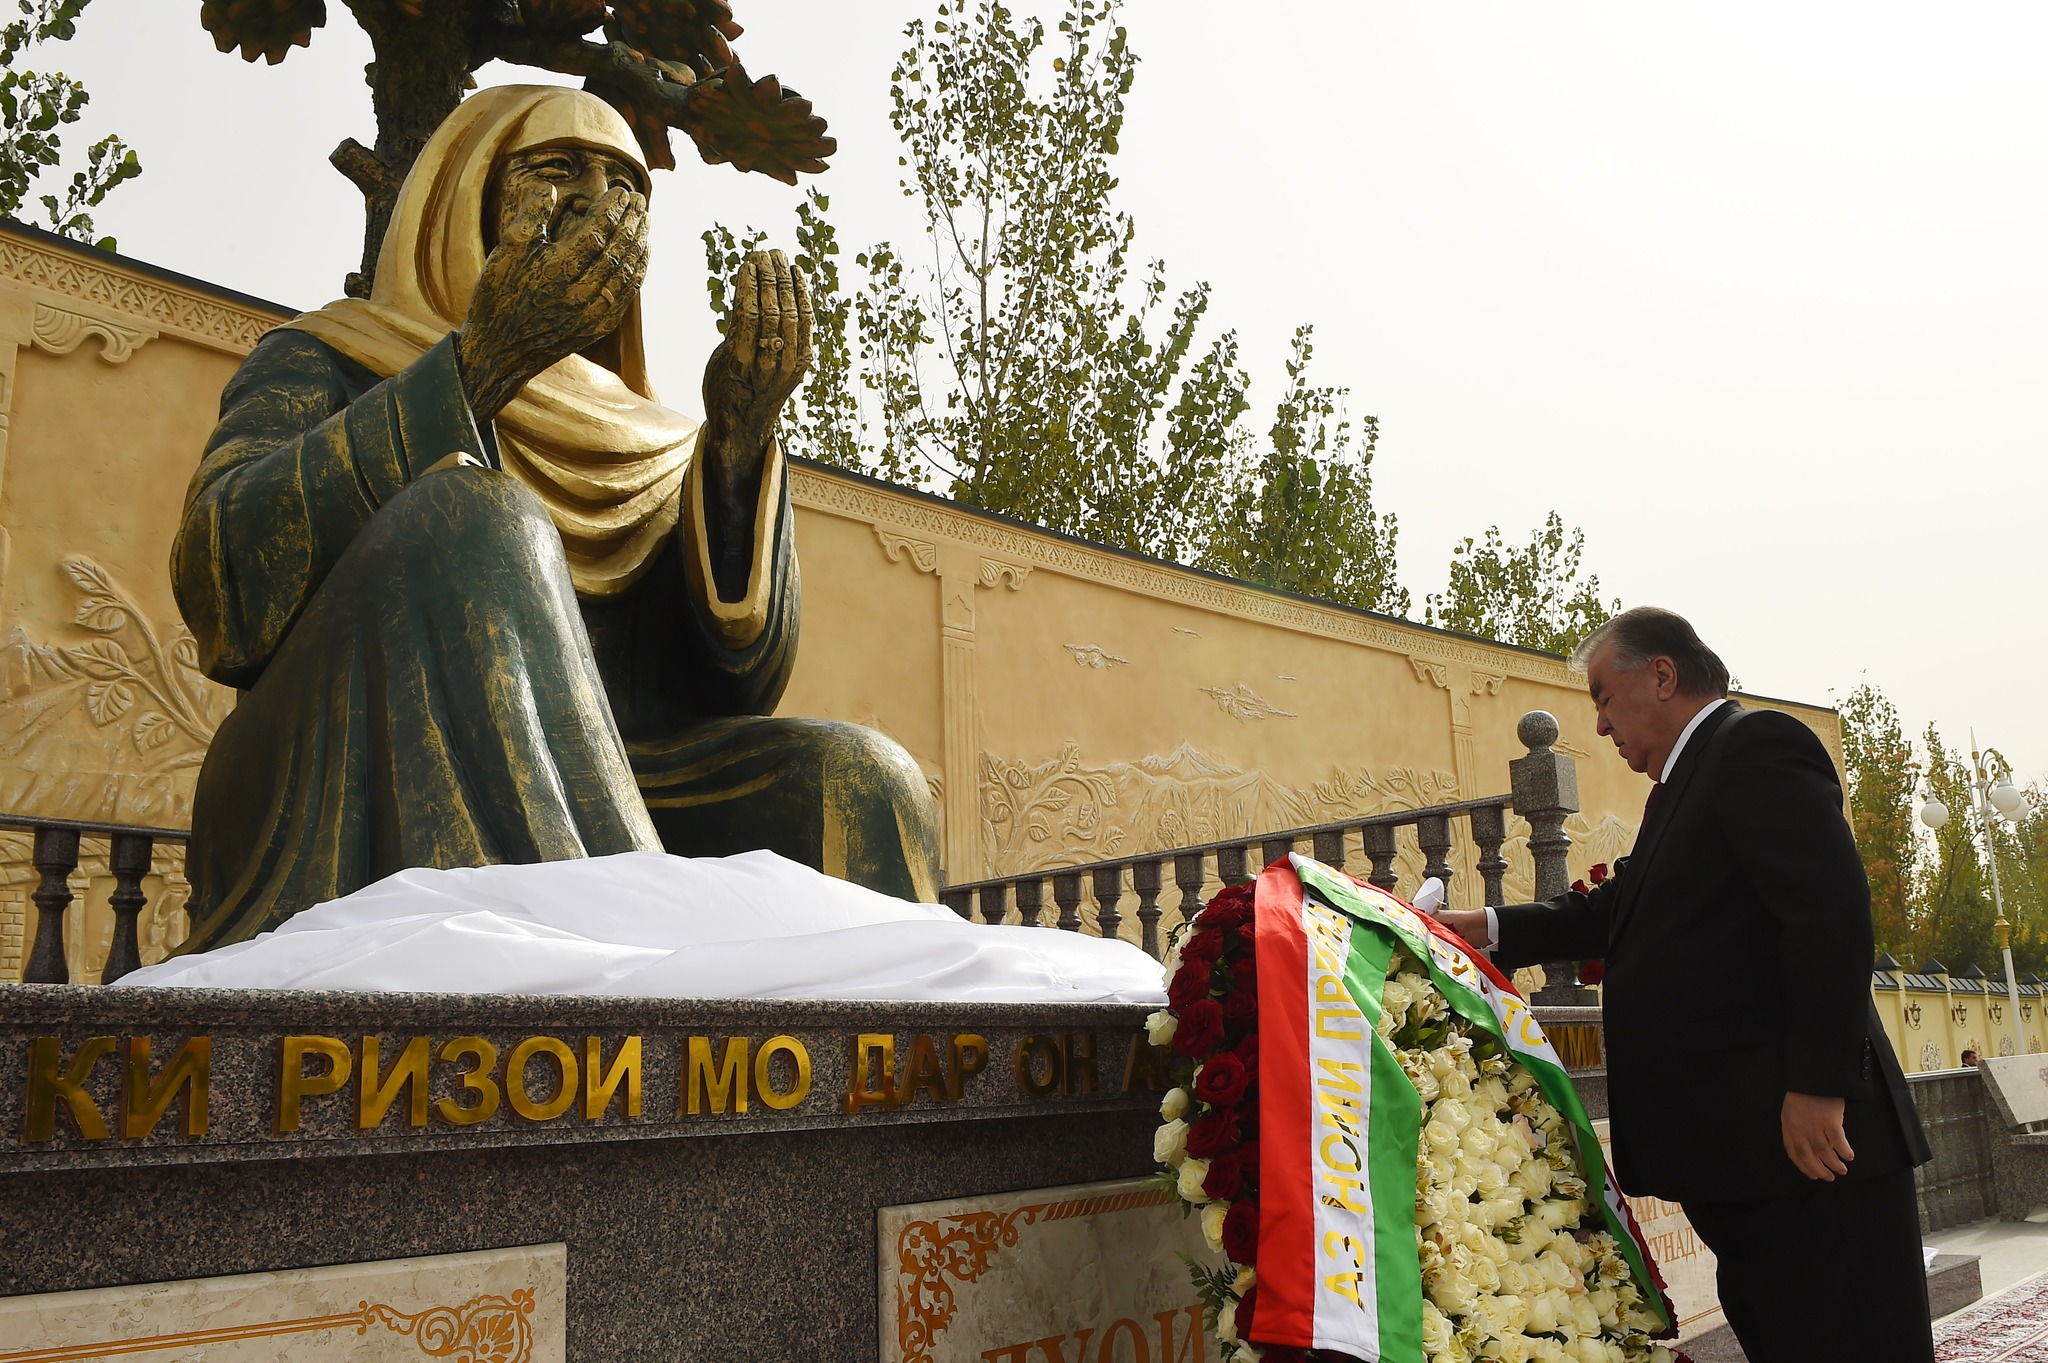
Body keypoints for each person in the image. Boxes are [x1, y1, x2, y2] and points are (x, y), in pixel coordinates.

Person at [170, 86, 941, 953]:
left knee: (861, 776)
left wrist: (735, 446)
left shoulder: (656, 440)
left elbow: (736, 689)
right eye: (559, 167)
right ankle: (632, 979)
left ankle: (863, 1023)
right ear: (466, 191)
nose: (594, 199)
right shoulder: (336, 355)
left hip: (619, 776)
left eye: (625, 185)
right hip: (353, 756)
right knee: (477, 517)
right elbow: (221, 585)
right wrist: (477, 367)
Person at [1437, 606, 1933, 1363]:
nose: (1600, 723)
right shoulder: (1687, 781)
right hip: (1750, 1160)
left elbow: (1828, 916)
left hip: (1808, 1149)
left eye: (1604, 695)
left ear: (1662, 675)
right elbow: (1617, 909)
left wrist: (1818, 1085)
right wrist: (1486, 925)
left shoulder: (1754, 747)